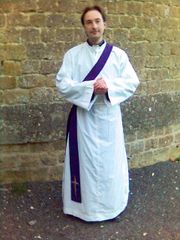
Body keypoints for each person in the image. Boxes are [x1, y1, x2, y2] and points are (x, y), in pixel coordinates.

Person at [56, 5, 139, 222]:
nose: (94, 26)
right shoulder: (73, 55)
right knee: (85, 163)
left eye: (98, 21)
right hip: (83, 119)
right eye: (89, 22)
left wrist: (109, 86)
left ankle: (111, 207)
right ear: (84, 26)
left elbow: (131, 82)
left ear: (105, 23)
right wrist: (90, 89)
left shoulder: (119, 55)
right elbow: (63, 84)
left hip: (109, 117)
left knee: (110, 164)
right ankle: (84, 210)